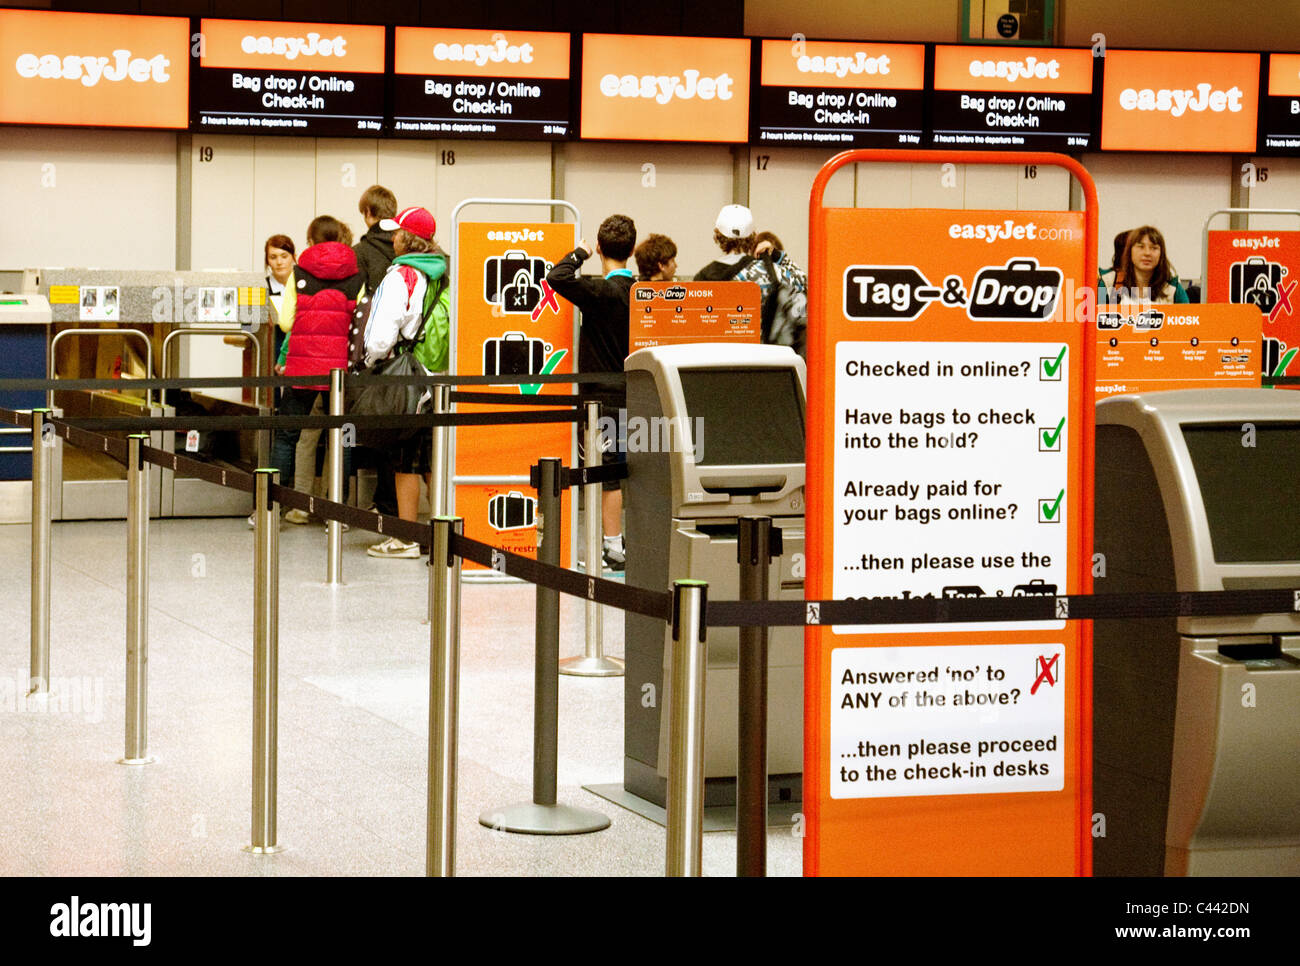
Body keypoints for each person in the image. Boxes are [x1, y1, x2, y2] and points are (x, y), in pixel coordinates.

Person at [547, 214, 636, 570]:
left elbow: (556, 276)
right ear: (631, 250)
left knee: (606, 474)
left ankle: (613, 547)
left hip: (601, 399)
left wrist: (579, 253)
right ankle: (626, 541)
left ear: (600, 248)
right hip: (639, 393)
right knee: (636, 470)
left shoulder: (600, 292)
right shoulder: (644, 294)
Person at [360, 206, 450, 559]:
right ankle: (442, 530)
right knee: (431, 459)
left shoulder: (401, 276)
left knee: (404, 459)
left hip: (407, 378)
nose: (392, 237)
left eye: (396, 232)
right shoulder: (444, 273)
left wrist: (368, 361)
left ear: (405, 238)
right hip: (439, 377)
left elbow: (380, 336)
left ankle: (407, 537)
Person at [268, 216, 362, 524]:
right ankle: (340, 514)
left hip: (303, 369)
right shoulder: (356, 275)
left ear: (311, 239)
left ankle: (273, 507)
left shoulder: (300, 274)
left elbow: (285, 322)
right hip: (340, 372)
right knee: (342, 437)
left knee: (286, 435)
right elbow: (360, 324)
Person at [696, 206, 808, 355]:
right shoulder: (770, 272)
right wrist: (778, 256)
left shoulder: (701, 279)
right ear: (753, 236)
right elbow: (807, 287)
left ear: (717, 236)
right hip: (763, 363)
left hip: (715, 362)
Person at [353, 185, 400, 517]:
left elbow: (357, 301)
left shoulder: (361, 251)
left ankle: (385, 502)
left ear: (368, 214)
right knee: (411, 435)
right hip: (417, 352)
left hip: (380, 352)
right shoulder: (415, 250)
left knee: (383, 431)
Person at [1101, 225, 1190, 304]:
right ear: (1129, 252)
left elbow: (1189, 319)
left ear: (1161, 254)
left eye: (1154, 248)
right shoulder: (1108, 283)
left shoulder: (1173, 289)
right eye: (1140, 247)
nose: (1147, 253)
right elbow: (1092, 319)